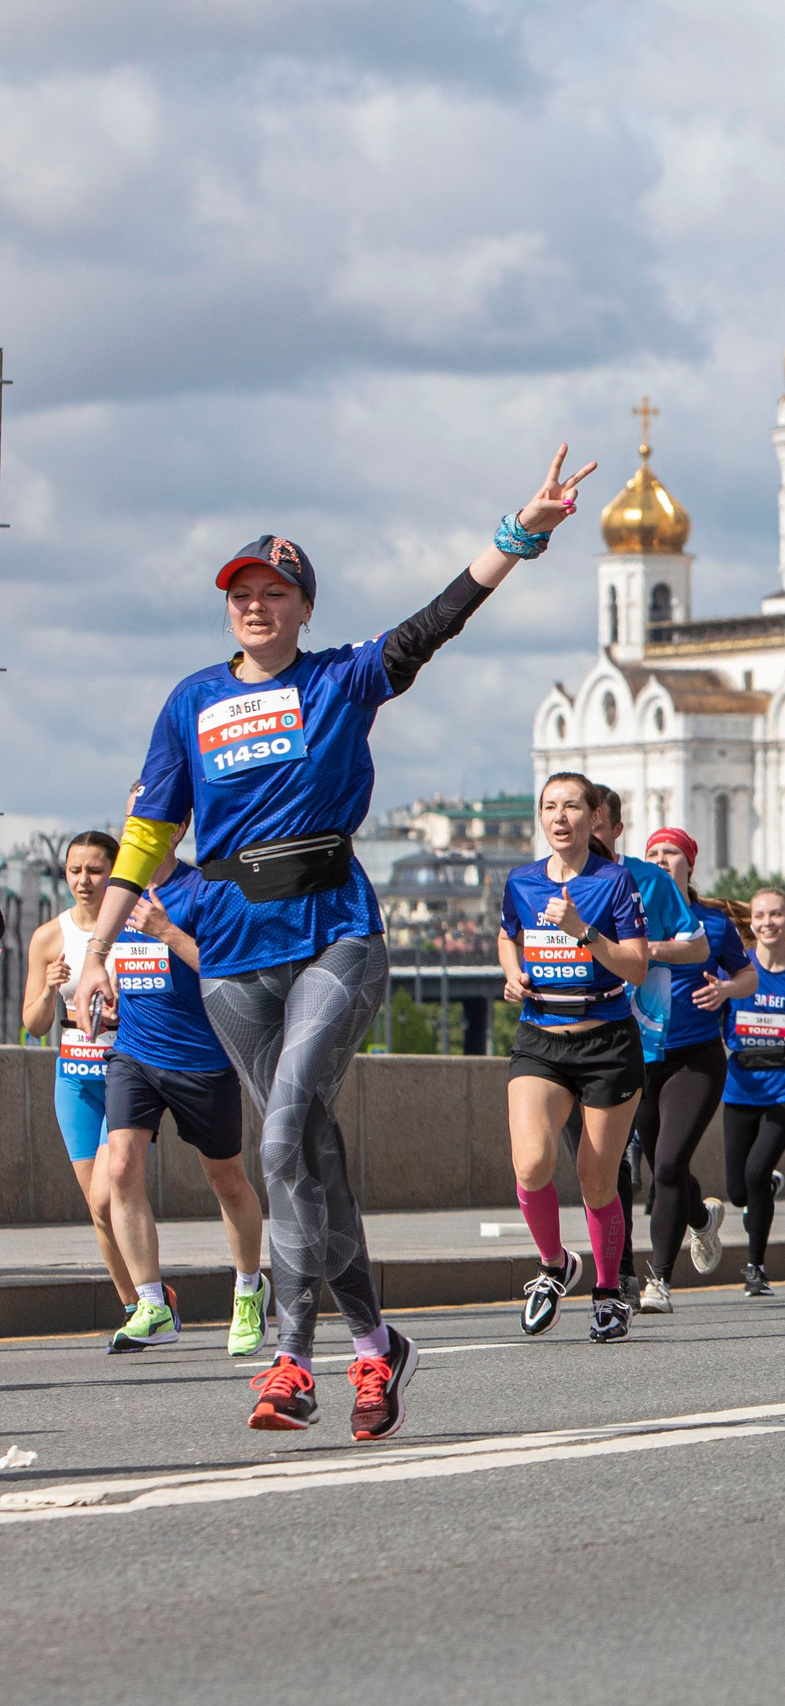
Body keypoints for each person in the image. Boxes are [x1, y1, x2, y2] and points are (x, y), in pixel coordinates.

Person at [75, 450, 594, 1439]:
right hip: (229, 949)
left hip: (332, 932)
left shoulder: (343, 678)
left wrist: (518, 536)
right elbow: (148, 836)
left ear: (304, 606)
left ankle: (287, 1359)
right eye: (242, 592)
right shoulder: (190, 702)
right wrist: (99, 946)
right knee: (309, 1151)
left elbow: (437, 621)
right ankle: (372, 1346)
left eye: (275, 591)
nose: (256, 605)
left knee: (280, 1135)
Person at [94, 808, 270, 1356]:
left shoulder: (203, 888)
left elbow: (229, 972)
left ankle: (248, 1289)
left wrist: (166, 931)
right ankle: (152, 1303)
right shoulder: (118, 895)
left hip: (202, 1059)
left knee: (227, 1180)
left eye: (145, 822)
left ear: (176, 830)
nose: (134, 832)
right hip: (134, 1053)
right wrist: (114, 991)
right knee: (120, 1167)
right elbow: (128, 961)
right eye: (129, 821)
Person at [500, 772, 650, 1345]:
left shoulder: (614, 883)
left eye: (572, 807)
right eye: (549, 807)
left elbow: (636, 967)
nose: (560, 817)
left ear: (594, 819)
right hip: (541, 1037)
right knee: (532, 1163)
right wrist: (512, 973)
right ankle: (554, 1264)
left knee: (595, 1177)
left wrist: (582, 930)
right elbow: (505, 934)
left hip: (606, 1041)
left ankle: (609, 1292)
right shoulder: (521, 881)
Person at [592, 789, 712, 1303]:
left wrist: (641, 951)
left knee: (665, 1164)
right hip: (601, 1043)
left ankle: (658, 1277)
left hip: (677, 1045)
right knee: (612, 1163)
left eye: (592, 821)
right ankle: (619, 1272)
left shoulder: (649, 881)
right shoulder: (547, 882)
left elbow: (702, 946)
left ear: (615, 829)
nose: (577, 830)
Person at [21, 832, 138, 1320]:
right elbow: (32, 1024)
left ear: (113, 871)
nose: (83, 881)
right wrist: (49, 991)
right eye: (74, 871)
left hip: (125, 1071)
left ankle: (148, 1298)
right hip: (73, 1075)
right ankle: (139, 1305)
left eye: (94, 870)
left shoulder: (135, 928)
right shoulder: (49, 935)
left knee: (107, 1193)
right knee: (98, 1210)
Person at [633, 827, 751, 1312]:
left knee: (666, 1163)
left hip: (695, 1057)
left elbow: (748, 977)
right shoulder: (630, 919)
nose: (662, 860)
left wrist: (725, 991)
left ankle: (657, 1280)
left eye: (672, 854)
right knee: (663, 1163)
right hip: (639, 1058)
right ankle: (701, 1217)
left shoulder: (713, 923)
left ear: (689, 865)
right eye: (653, 854)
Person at [722, 888, 785, 1296]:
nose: (768, 922)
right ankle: (763, 1190)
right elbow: (718, 1011)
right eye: (760, 915)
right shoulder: (738, 969)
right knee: (737, 1189)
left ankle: (755, 1268)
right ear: (751, 922)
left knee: (755, 1173)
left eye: (776, 914)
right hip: (741, 1083)